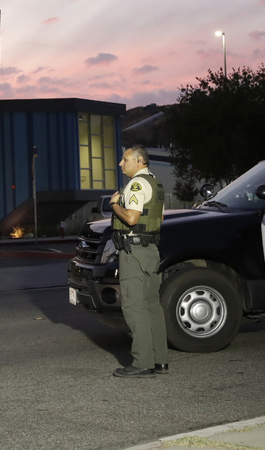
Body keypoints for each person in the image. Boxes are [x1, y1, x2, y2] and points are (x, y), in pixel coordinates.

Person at [109, 145, 168, 378]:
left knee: (135, 306)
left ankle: (143, 363)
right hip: (151, 250)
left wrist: (114, 204)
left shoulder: (136, 184)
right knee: (152, 305)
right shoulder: (156, 184)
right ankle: (159, 360)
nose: (121, 164)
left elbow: (132, 218)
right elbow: (159, 217)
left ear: (139, 161)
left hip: (134, 251)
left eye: (125, 160)